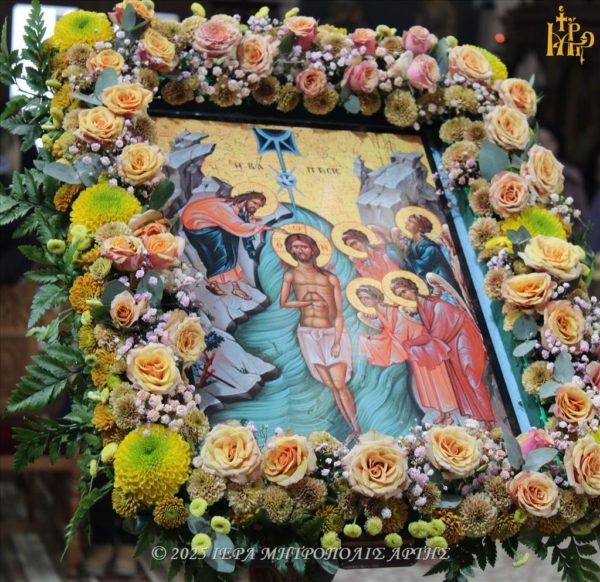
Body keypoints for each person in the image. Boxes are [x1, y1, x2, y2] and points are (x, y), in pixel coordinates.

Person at [279, 233, 360, 437]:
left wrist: (337, 341)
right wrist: (306, 302)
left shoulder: (329, 278)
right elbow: (284, 302)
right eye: (294, 247)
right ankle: (353, 429)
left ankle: (358, 429)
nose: (299, 251)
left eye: (303, 247)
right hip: (307, 334)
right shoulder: (291, 275)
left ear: (313, 249)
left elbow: (339, 314)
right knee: (332, 386)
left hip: (330, 333)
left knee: (340, 384)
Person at [390, 277, 495, 423]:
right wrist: (411, 343)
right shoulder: (422, 307)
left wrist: (416, 348)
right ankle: (480, 417)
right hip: (452, 343)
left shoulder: (436, 305)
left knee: (471, 376)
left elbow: (436, 335)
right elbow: (429, 334)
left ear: (412, 288)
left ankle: (489, 418)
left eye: (404, 291)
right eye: (400, 295)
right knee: (462, 381)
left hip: (464, 338)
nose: (404, 296)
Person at [355, 285, 459, 424]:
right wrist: (362, 317)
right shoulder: (381, 312)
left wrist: (377, 342)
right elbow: (384, 329)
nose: (364, 301)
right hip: (415, 352)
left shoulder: (396, 311)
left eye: (366, 298)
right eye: (361, 299)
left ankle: (449, 415)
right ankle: (442, 413)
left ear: (376, 297)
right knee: (428, 385)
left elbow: (399, 335)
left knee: (437, 382)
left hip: (425, 348)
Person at [181, 192, 269, 299]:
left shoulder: (236, 207)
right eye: (254, 203)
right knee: (221, 251)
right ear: (246, 199)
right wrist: (262, 227)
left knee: (231, 243)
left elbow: (238, 222)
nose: (256, 207)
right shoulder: (227, 207)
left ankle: (235, 287)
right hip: (196, 225)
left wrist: (251, 222)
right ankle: (214, 283)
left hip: (206, 224)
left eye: (259, 205)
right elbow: (237, 226)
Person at [398, 213, 460, 292]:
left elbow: (423, 265)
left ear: (419, 227)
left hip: (441, 280)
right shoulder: (411, 244)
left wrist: (407, 256)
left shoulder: (430, 247)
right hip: (429, 281)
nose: (406, 222)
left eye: (410, 221)